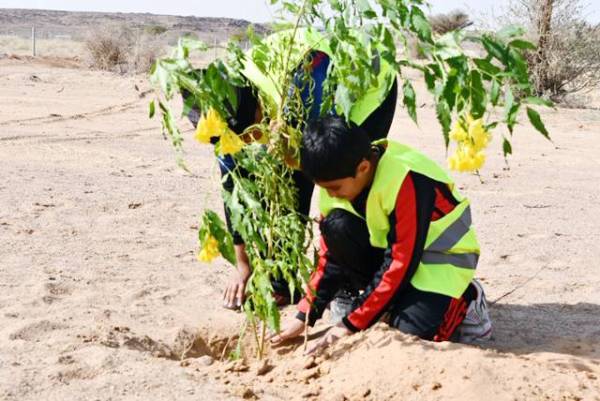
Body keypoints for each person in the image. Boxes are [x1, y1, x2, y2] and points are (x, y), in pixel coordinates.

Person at [185, 30, 399, 310]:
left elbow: (319, 157)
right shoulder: (226, 107)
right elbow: (233, 187)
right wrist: (242, 266)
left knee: (344, 180)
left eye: (248, 135)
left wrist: (295, 158)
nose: (249, 142)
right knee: (282, 174)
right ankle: (282, 284)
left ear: (257, 111)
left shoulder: (306, 84)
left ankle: (354, 283)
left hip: (368, 84)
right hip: (296, 106)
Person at [270, 116, 492, 352]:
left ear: (363, 168)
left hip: (440, 265)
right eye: (325, 188)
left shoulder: (407, 178)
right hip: (395, 254)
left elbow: (401, 261)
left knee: (408, 336)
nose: (331, 194)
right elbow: (329, 256)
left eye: (335, 188)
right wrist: (306, 313)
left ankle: (467, 298)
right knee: (336, 226)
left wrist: (351, 323)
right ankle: (390, 302)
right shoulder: (336, 177)